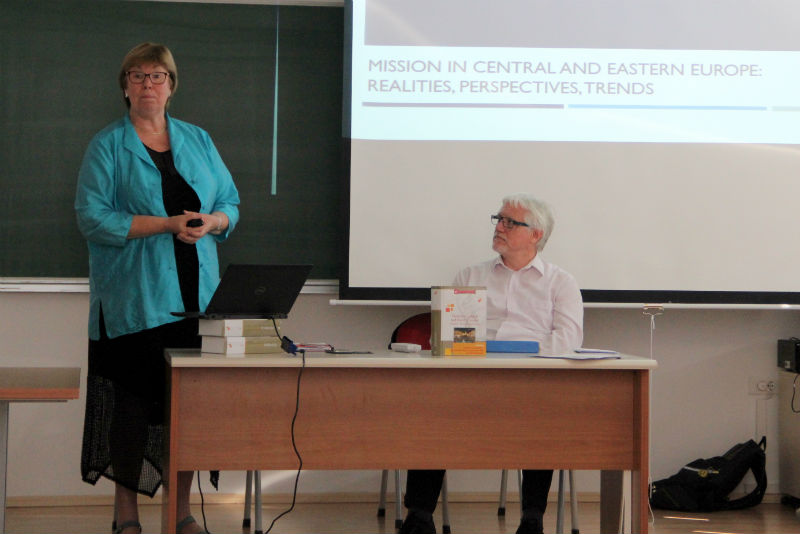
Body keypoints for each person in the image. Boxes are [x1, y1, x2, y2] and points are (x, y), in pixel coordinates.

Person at [75, 42, 240, 534]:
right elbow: (92, 218)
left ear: (171, 86)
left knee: (185, 415)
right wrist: (166, 225)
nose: (148, 84)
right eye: (138, 75)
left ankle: (180, 512)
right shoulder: (108, 145)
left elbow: (230, 204)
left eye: (157, 76)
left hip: (196, 304)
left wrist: (212, 221)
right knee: (129, 412)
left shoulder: (198, 140)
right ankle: (126, 516)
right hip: (133, 303)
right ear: (125, 87)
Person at [400, 193, 584, 534]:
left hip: (533, 383)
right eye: (499, 219)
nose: (499, 227)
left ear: (535, 235)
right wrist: (485, 352)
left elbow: (568, 341)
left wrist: (513, 352)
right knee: (431, 409)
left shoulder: (561, 282)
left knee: (545, 414)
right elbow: (449, 337)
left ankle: (532, 519)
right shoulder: (470, 276)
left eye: (510, 222)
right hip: (471, 381)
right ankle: (420, 516)